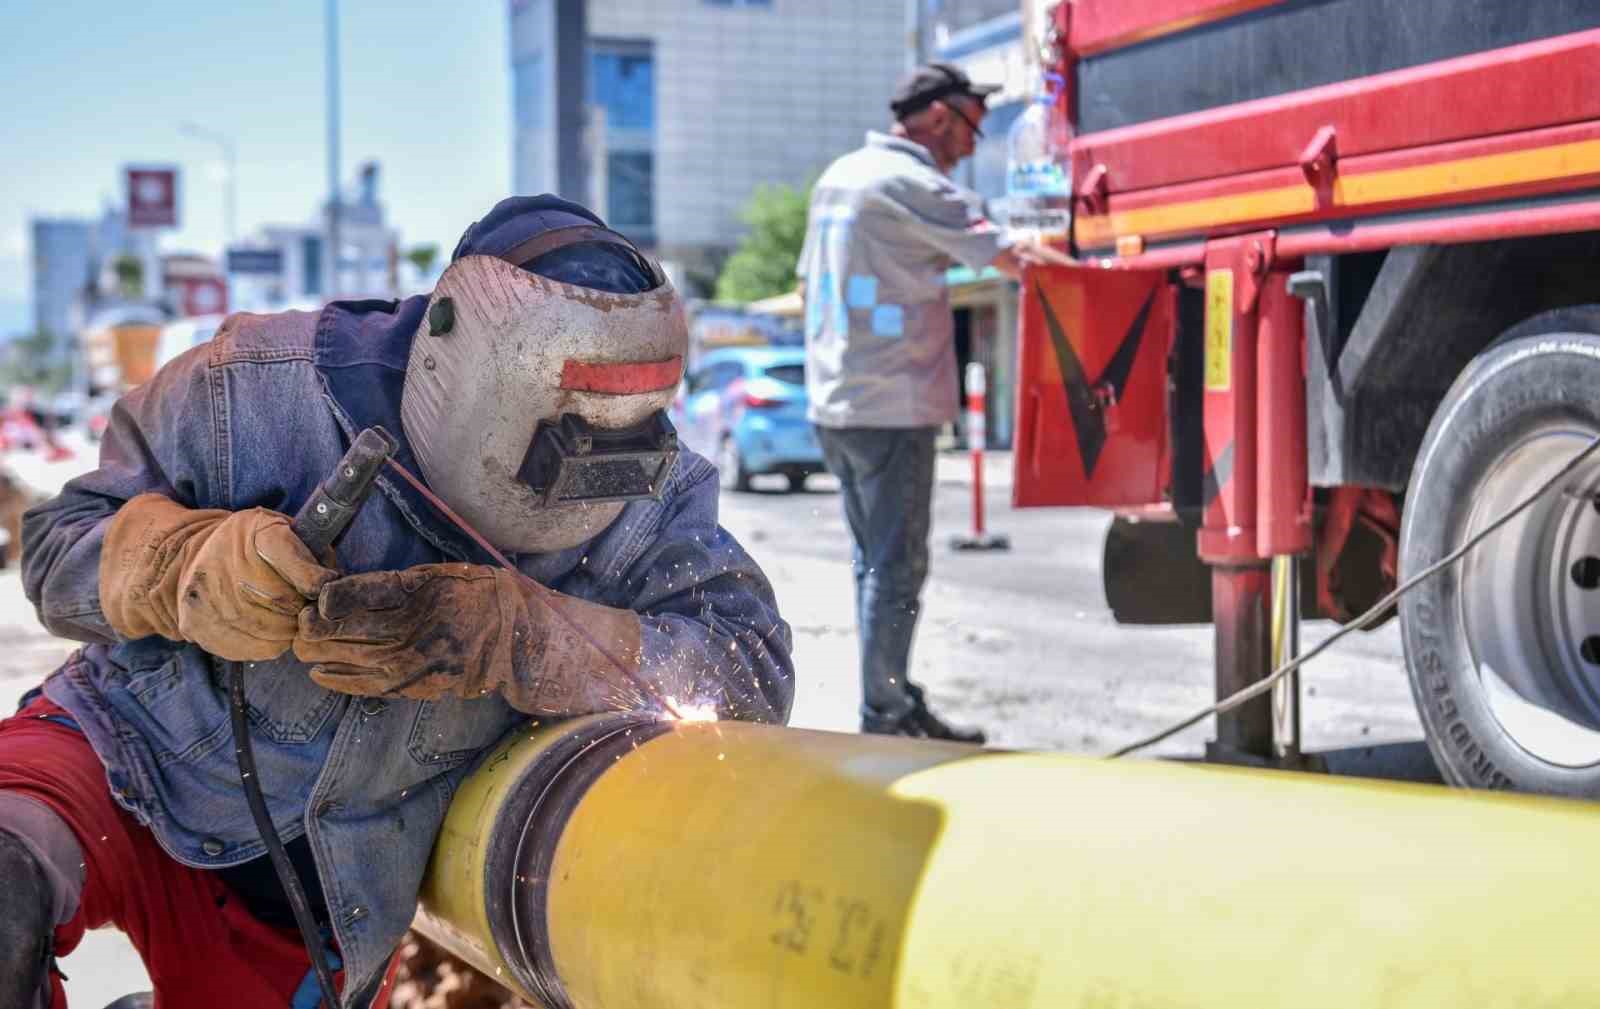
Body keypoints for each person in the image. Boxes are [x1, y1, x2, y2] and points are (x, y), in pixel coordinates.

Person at [1, 195, 795, 1009]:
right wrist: (177, 563)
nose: (590, 471)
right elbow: (55, 550)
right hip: (123, 751)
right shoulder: (252, 391)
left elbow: (750, 676)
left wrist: (524, 641)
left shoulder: (657, 496)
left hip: (319, 895)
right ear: (449, 349)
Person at [799, 63, 1073, 744]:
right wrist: (1109, 266)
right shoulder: (912, 183)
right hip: (892, 407)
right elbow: (1016, 257)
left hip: (837, 401)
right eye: (974, 127)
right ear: (943, 117)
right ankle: (885, 713)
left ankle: (890, 695)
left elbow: (807, 284)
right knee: (895, 569)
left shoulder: (840, 177)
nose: (974, 146)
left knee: (872, 564)